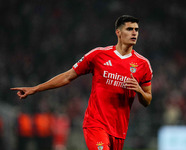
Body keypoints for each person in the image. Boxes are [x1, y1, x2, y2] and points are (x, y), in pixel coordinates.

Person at [11, 15, 153, 150]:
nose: (134, 33)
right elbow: (68, 76)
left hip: (119, 129)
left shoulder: (143, 64)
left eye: (136, 30)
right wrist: (35, 89)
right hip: (95, 124)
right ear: (118, 32)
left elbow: (147, 100)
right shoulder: (98, 55)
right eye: (129, 29)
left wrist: (139, 91)